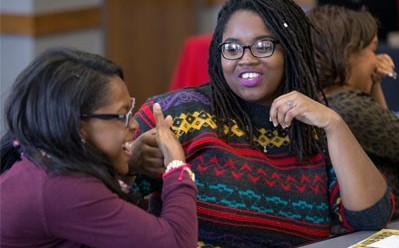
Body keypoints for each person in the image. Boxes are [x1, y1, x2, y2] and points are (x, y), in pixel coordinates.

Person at [130, 0, 394, 247]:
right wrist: (131, 164)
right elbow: (97, 193)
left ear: (291, 50)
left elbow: (371, 218)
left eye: (263, 46)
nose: (246, 59)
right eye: (232, 48)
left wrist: (334, 124)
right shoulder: (175, 112)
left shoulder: (313, 127)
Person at [0, 47, 197, 248]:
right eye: (123, 115)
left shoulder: (46, 161)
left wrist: (128, 166)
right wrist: (176, 165)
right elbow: (177, 243)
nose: (135, 125)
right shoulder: (63, 186)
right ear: (79, 126)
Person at [307, 5, 399, 220]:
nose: (377, 60)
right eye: (372, 50)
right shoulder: (353, 108)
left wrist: (373, 84)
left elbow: (385, 132)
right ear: (348, 55)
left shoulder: (324, 103)